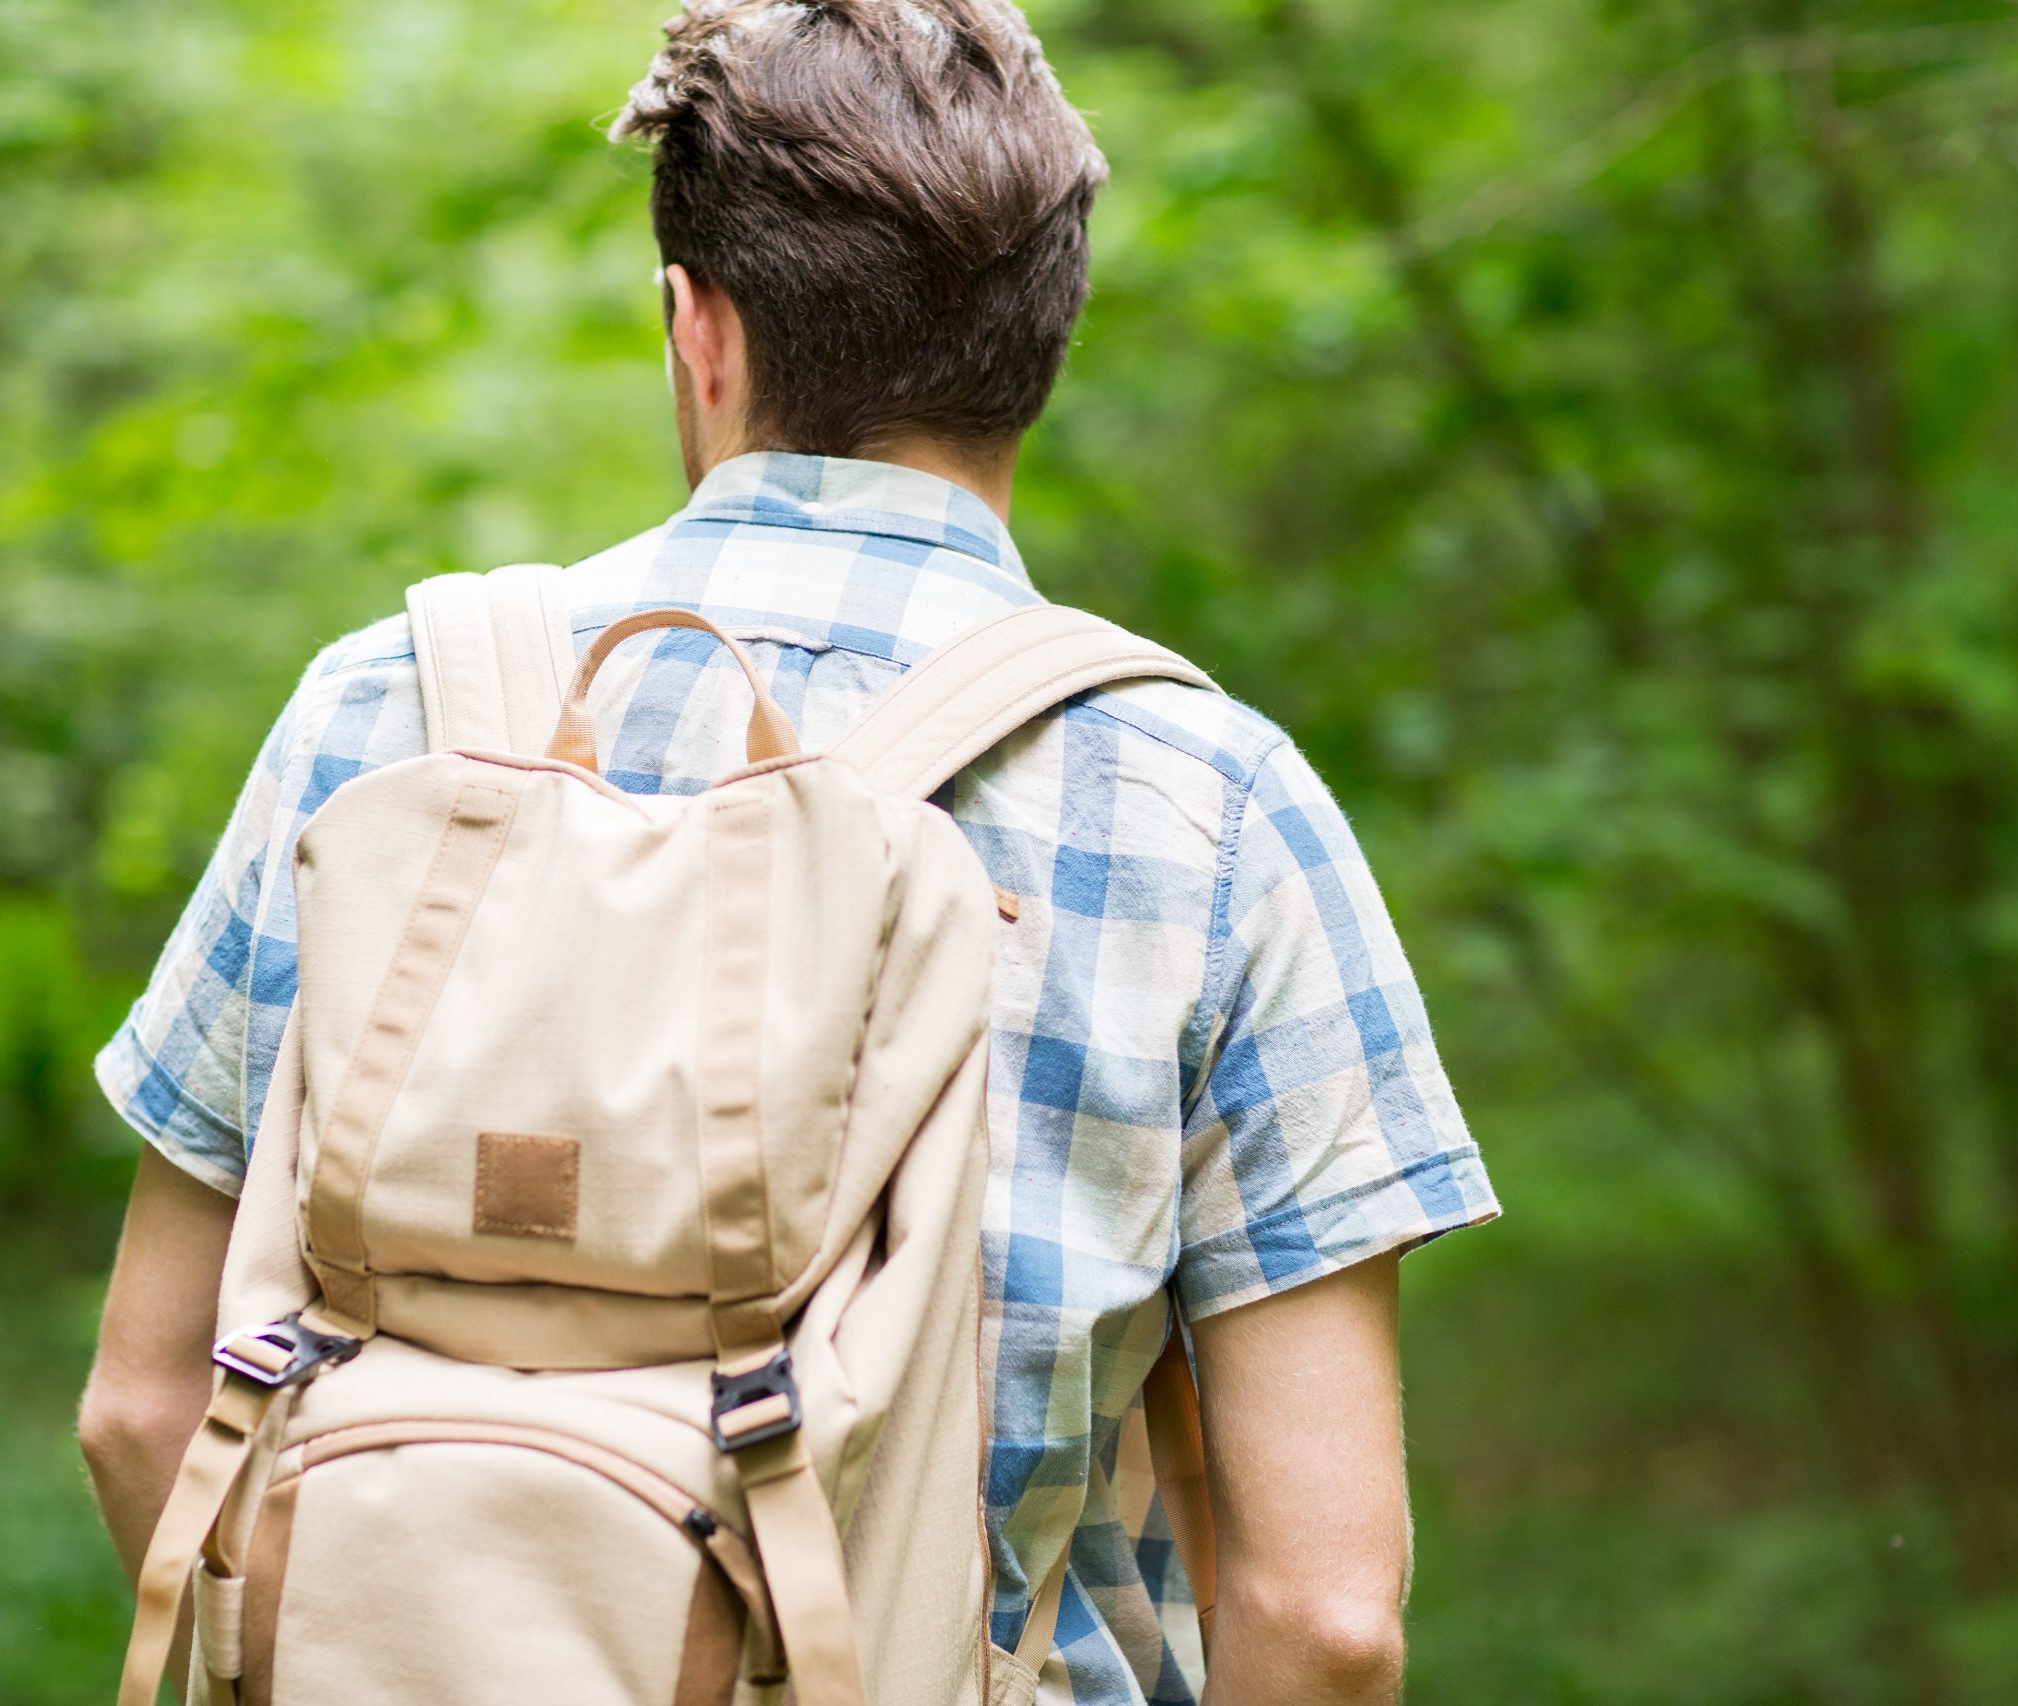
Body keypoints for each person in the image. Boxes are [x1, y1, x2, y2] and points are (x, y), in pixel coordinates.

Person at [76, 0, 1498, 1700]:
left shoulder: (384, 718)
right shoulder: (1210, 801)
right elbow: (1326, 1614)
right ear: (1040, 351)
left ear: (699, 330)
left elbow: (148, 1406)